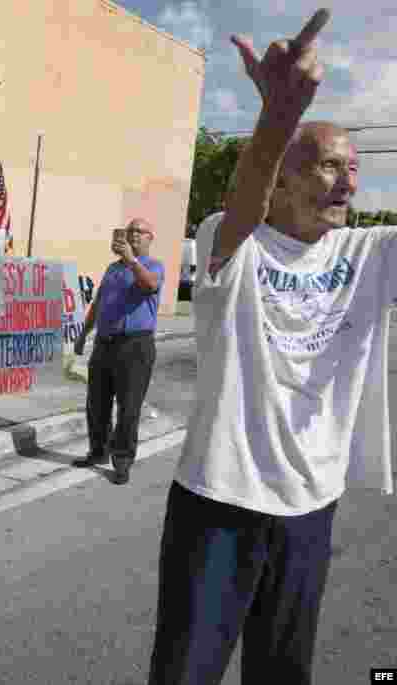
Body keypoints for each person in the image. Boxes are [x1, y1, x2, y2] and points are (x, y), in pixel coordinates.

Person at [147, 9, 397, 685]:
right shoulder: (231, 244)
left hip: (311, 509)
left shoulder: (370, 253)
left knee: (283, 674)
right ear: (283, 178)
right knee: (184, 673)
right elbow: (240, 209)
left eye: (354, 168)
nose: (348, 181)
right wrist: (277, 121)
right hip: (217, 506)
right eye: (327, 166)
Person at [71, 218, 164, 485]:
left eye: (139, 232)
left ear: (149, 238)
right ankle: (98, 450)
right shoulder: (112, 269)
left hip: (135, 346)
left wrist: (132, 261)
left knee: (129, 408)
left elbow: (149, 286)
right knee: (96, 403)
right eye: (130, 231)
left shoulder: (153, 266)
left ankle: (121, 460)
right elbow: (99, 303)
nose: (133, 235)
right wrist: (83, 335)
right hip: (105, 344)